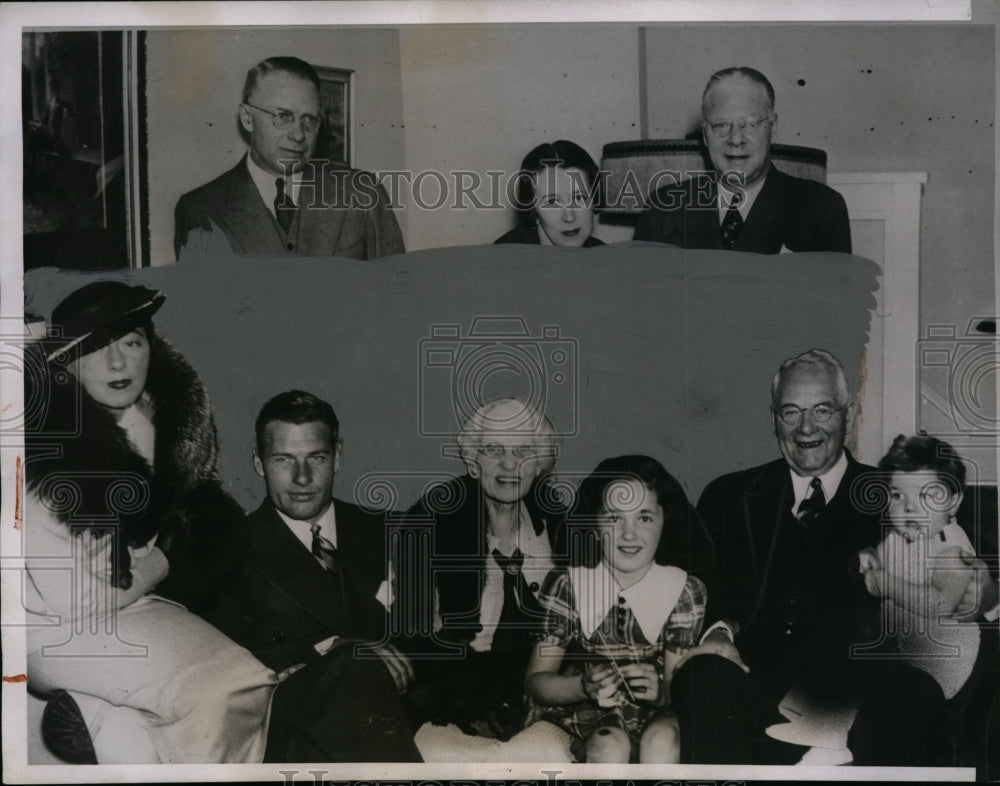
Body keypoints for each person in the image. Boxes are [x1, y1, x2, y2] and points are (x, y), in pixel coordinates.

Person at [24, 280, 277, 764]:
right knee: (232, 686)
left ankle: (103, 715)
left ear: (152, 348)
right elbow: (70, 599)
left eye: (132, 343)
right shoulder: (45, 451)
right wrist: (161, 561)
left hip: (129, 604)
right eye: (94, 349)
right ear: (65, 364)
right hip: (55, 628)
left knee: (154, 723)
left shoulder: (156, 423)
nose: (118, 363)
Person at [678, 349, 949, 766]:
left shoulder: (895, 499)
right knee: (702, 676)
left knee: (915, 692)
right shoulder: (729, 496)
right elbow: (701, 590)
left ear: (849, 414)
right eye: (791, 412)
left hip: (854, 691)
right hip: (752, 684)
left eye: (822, 410)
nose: (806, 427)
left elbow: (945, 585)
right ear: (774, 419)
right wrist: (717, 632)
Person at [202, 389, 422, 762]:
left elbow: (430, 635)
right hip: (293, 726)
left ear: (337, 457)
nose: (301, 478)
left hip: (394, 718)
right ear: (258, 462)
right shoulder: (229, 548)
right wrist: (336, 650)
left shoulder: (393, 531)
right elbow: (221, 658)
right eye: (283, 460)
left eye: (316, 458)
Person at [398, 397, 567, 740]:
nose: (509, 464)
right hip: (455, 696)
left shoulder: (560, 528)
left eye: (523, 451)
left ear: (539, 464)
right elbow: (414, 634)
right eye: (493, 449)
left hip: (545, 696)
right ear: (473, 461)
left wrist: (546, 691)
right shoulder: (432, 523)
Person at [525, 455, 708, 763]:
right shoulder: (570, 584)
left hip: (659, 714)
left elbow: (679, 688)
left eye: (644, 518)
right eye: (614, 518)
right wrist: (582, 686)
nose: (629, 534)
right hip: (588, 716)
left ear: (665, 522)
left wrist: (662, 692)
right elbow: (536, 681)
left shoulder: (683, 590)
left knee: (662, 741)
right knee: (610, 745)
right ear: (594, 523)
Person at [174, 56, 404, 260]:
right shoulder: (200, 209)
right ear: (247, 118)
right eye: (283, 116)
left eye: (309, 120)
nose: (298, 135)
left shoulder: (362, 193)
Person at [634, 67, 851, 254]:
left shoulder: (820, 209)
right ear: (705, 134)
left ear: (773, 128)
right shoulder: (664, 209)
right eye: (721, 125)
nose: (735, 139)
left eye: (750, 124)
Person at [495, 140, 604, 247]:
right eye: (552, 202)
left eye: (579, 198)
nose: (569, 217)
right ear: (533, 210)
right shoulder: (504, 253)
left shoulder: (603, 252)